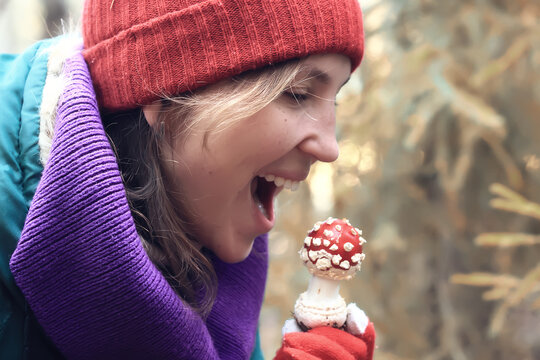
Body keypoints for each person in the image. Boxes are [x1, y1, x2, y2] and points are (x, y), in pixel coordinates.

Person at [0, 0, 375, 358]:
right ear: (161, 93)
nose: (330, 148)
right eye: (297, 93)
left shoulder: (204, 230)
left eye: (334, 100)